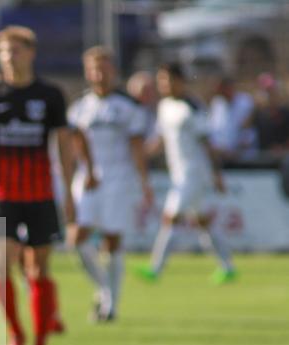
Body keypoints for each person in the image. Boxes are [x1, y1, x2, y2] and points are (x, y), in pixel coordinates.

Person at [0, 25, 75, 345]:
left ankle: (41, 343)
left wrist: (68, 193)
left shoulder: (50, 95)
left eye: (16, 50)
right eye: (4, 52)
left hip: (40, 195)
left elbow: (63, 145)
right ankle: (15, 334)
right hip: (2, 196)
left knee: (38, 271)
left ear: (31, 53)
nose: (10, 57)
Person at [68, 47, 154, 322]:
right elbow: (76, 141)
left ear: (113, 70)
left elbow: (137, 146)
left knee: (111, 239)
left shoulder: (128, 106)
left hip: (119, 177)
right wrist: (86, 170)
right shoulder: (80, 107)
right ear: (87, 71)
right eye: (93, 68)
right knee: (77, 239)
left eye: (103, 67)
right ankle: (105, 289)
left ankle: (111, 306)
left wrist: (144, 182)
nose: (99, 73)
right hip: (89, 179)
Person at [137, 64, 236, 284]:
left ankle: (155, 268)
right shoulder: (164, 106)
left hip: (195, 173)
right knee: (202, 221)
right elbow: (160, 140)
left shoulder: (193, 106)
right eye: (161, 81)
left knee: (170, 217)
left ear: (180, 80)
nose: (164, 85)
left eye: (168, 80)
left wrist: (217, 174)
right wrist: (140, 154)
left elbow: (206, 142)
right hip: (179, 174)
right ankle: (228, 266)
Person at [208, 75, 257, 162]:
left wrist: (235, 150)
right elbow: (215, 131)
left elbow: (247, 131)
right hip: (223, 158)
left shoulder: (245, 102)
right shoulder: (217, 103)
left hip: (244, 160)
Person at [252, 73, 289, 155]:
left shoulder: (285, 112)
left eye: (271, 91)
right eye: (266, 91)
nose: (269, 94)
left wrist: (282, 148)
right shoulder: (259, 114)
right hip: (264, 157)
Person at [126, 70, 158, 141]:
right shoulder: (127, 112)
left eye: (152, 89)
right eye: (145, 90)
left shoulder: (159, 111)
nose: (150, 94)